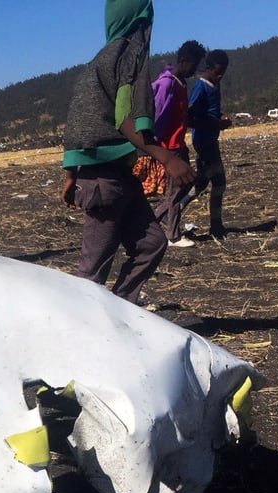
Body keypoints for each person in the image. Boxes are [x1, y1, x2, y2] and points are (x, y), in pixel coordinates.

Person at [61, 0, 195, 306]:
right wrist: (167, 157)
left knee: (152, 243)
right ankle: (80, 333)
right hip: (103, 183)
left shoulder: (97, 64)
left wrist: (70, 176)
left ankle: (121, 310)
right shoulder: (128, 55)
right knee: (92, 272)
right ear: (141, 21)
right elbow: (125, 119)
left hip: (121, 177)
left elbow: (78, 126)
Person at [152, 40, 207, 248]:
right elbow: (157, 113)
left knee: (184, 186)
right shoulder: (168, 83)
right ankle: (171, 235)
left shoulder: (181, 82)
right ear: (184, 61)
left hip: (178, 142)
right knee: (176, 192)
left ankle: (158, 223)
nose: (195, 70)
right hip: (169, 146)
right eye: (194, 64)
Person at [184, 49, 232, 240]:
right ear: (209, 68)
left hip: (211, 140)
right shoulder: (200, 87)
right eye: (217, 72)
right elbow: (189, 118)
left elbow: (211, 112)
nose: (220, 76)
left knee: (201, 184)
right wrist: (214, 124)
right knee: (218, 182)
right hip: (203, 142)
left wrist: (220, 119)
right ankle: (216, 225)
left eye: (223, 73)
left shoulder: (215, 85)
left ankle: (170, 213)